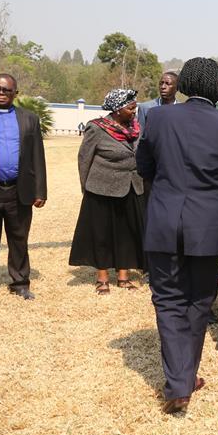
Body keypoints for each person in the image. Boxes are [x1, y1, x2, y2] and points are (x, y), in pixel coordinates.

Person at [136, 57, 218, 415]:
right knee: (199, 301)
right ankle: (184, 378)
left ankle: (179, 382)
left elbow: (144, 166)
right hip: (209, 223)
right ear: (217, 87)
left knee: (167, 300)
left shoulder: (158, 117)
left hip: (164, 219)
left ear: (183, 83)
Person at [0, 74, 47, 304]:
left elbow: (38, 156)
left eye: (6, 90)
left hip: (19, 190)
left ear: (15, 92)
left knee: (19, 240)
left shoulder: (29, 119)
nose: (1, 92)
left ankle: (20, 284)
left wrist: (40, 191)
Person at [69, 89, 145, 293]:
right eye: (130, 107)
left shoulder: (136, 127)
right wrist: (86, 188)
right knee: (101, 233)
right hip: (102, 189)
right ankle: (102, 277)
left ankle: (123, 276)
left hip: (132, 187)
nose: (134, 111)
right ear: (117, 109)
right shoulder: (97, 128)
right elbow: (84, 159)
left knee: (127, 232)